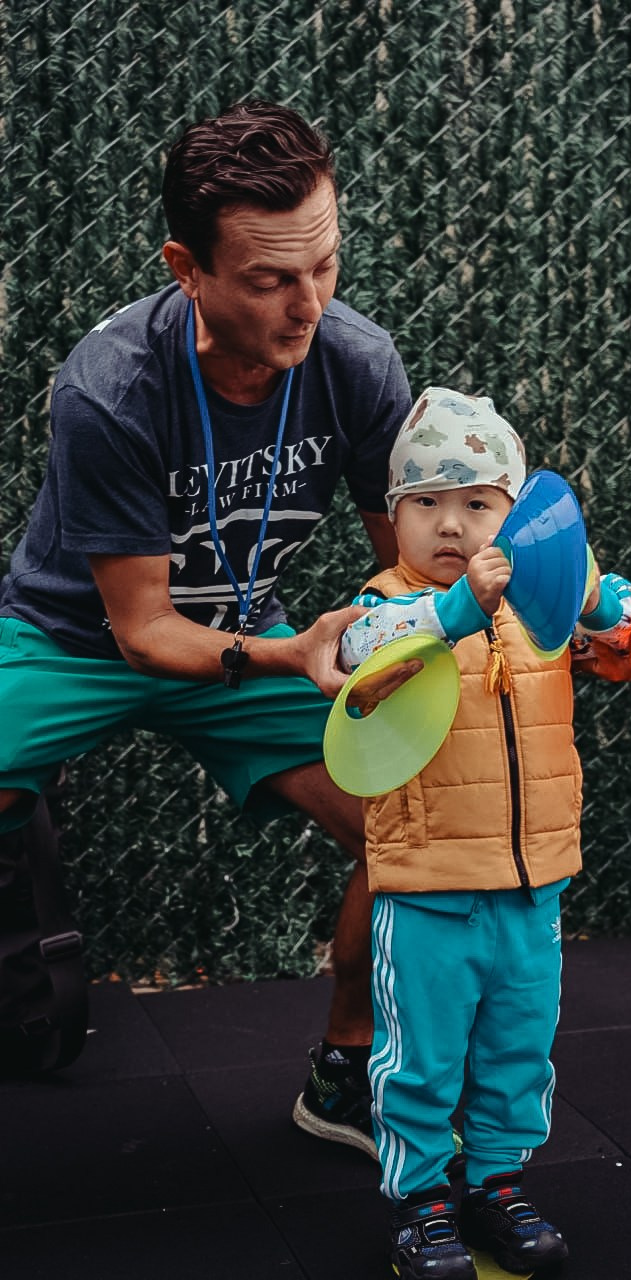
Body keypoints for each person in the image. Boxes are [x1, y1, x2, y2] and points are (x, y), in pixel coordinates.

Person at [0, 100, 419, 1096]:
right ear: (186, 270)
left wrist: (554, 626)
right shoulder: (110, 386)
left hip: (243, 633)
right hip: (73, 640)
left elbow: (411, 571)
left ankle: (344, 1068)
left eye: (324, 265)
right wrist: (288, 652)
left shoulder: (357, 364)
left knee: (414, 829)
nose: (308, 305)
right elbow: (141, 632)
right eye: (270, 279)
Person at [333, 386, 631, 1278]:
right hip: (427, 888)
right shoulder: (384, 605)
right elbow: (357, 661)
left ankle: (494, 1181)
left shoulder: (543, 611)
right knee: (420, 1056)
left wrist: (621, 610)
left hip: (531, 882)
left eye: (478, 504)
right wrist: (455, 612)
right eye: (426, 504)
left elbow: (620, 640)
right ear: (395, 515)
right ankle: (423, 1200)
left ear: (515, 517)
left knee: (518, 1049)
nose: (450, 525)